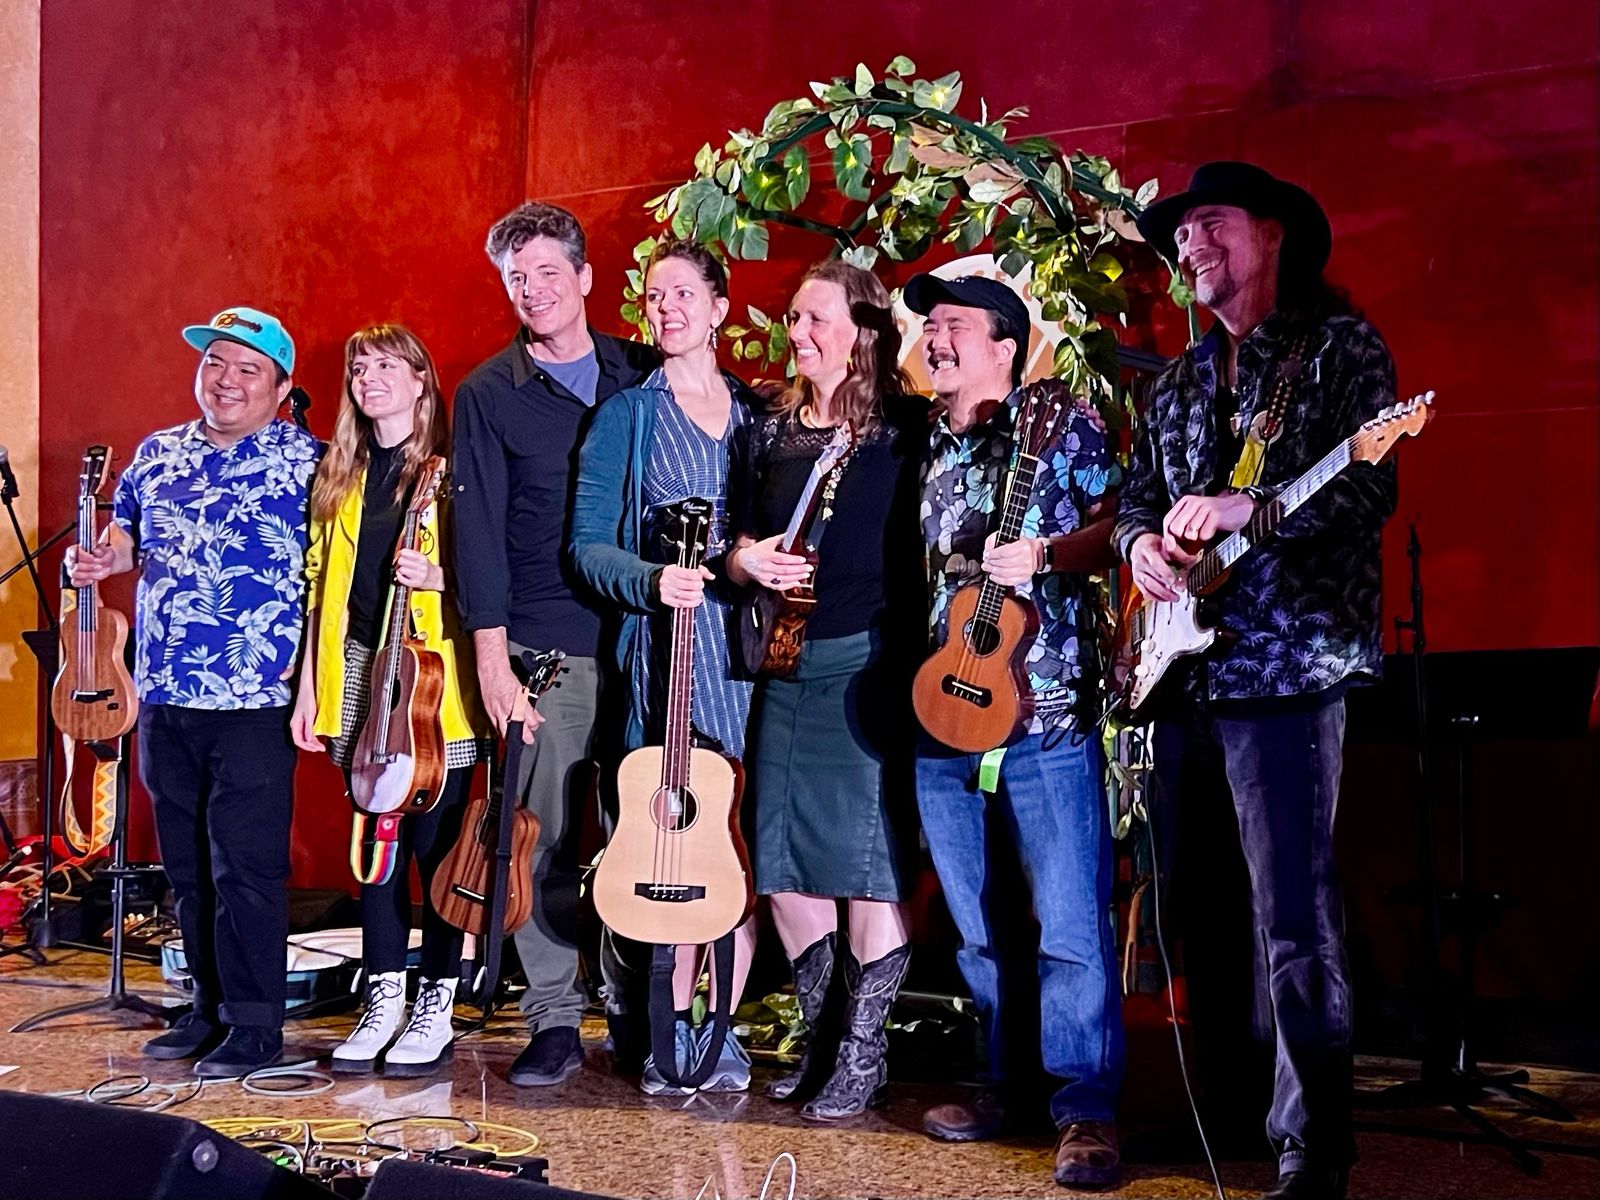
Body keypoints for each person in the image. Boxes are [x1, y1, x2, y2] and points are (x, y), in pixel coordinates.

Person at [1116, 161, 1399, 1200]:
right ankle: (1235, 1114)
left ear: (1272, 234)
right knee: (1204, 912)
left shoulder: (1340, 349)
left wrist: (1254, 508)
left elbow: (1369, 488)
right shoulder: (1184, 379)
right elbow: (1138, 499)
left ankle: (1311, 1146)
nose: (1191, 245)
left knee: (1292, 916)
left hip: (1288, 666)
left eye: (1212, 224)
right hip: (1187, 676)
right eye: (1183, 233)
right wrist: (1142, 548)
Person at [905, 273, 1126, 1188]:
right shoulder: (926, 439)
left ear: (1005, 344)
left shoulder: (1059, 426)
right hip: (945, 713)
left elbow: (1121, 529)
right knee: (977, 926)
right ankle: (1008, 1085)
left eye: (953, 324)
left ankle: (1085, 1108)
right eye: (930, 325)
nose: (935, 338)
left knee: (1068, 922)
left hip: (1045, 714)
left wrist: (1046, 554)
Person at [66, 307, 318, 1076]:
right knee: (187, 866)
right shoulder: (157, 452)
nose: (226, 379)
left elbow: (336, 576)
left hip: (254, 698)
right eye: (215, 362)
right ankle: (206, 1007)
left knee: (245, 867)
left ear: (281, 388)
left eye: (248, 369)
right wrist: (99, 559)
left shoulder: (312, 463)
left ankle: (255, 1024)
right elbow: (126, 536)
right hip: (164, 692)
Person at [452, 202, 659, 1086]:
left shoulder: (643, 371)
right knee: (541, 841)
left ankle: (638, 1009)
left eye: (546, 272)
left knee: (642, 836)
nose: (532, 291)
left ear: (584, 277)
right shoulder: (487, 394)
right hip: (546, 649)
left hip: (650, 643)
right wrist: (492, 664)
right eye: (516, 278)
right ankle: (552, 1017)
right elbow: (477, 537)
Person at [725, 259, 925, 1122]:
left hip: (866, 667)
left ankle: (864, 1052)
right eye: (794, 319)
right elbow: (731, 534)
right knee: (781, 862)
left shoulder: (906, 431)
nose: (798, 334)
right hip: (784, 664)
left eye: (816, 320)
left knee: (866, 865)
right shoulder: (768, 430)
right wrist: (746, 560)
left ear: (864, 331)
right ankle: (822, 1037)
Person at [569, 239, 760, 1094]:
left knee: (740, 845)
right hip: (670, 654)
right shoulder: (627, 415)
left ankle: (727, 1028)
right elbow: (586, 547)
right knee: (675, 838)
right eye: (654, 296)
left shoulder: (758, 414)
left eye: (685, 293)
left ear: (720, 307)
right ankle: (668, 1028)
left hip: (749, 658)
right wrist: (652, 580)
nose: (667, 308)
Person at [291, 323, 495, 1076]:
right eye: (359, 368)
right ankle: (382, 998)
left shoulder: (452, 469)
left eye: (386, 365)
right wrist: (309, 690)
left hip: (436, 680)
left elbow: (494, 570)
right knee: (375, 848)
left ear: (419, 381)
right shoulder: (339, 474)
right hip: (359, 671)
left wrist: (441, 579)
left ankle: (436, 1000)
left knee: (437, 848)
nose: (369, 378)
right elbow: (320, 588)